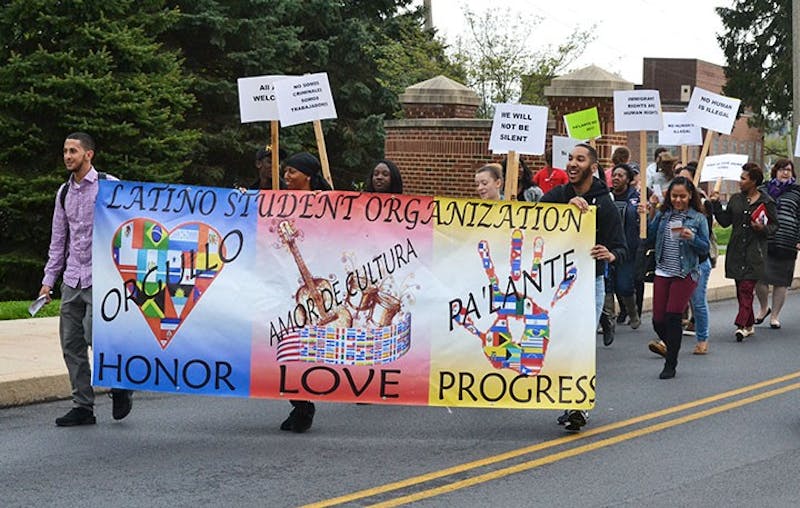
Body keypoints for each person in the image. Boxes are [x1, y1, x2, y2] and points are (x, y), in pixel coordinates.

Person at [40, 132, 133, 426]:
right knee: (71, 343)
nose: (68, 156)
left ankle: (120, 386)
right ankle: (82, 406)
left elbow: (132, 225)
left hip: (101, 278)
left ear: (88, 155)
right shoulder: (63, 193)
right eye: (65, 151)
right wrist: (48, 280)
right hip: (72, 279)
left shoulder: (110, 186)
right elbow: (58, 240)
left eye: (74, 151)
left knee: (97, 336)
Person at [541, 143, 627, 430]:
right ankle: (567, 400)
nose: (572, 163)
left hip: (591, 284)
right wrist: (563, 210)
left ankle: (577, 407)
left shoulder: (605, 203)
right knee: (560, 343)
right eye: (570, 158)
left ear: (592, 167)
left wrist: (611, 254)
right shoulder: (559, 195)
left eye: (580, 159)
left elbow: (621, 247)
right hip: (557, 284)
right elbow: (533, 218)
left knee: (580, 345)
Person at [279, 152, 331, 433]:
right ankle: (299, 402)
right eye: (285, 172)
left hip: (315, 285)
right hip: (283, 282)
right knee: (283, 346)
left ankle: (303, 403)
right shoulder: (277, 201)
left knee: (306, 346)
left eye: (291, 172)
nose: (286, 177)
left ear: (308, 176)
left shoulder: (327, 203)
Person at [639, 176, 710, 378]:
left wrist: (693, 238)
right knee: (657, 320)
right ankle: (672, 346)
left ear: (690, 196)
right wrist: (646, 214)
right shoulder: (664, 216)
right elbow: (649, 237)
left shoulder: (698, 218)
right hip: (663, 270)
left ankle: (671, 363)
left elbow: (705, 248)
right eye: (674, 196)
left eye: (683, 196)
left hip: (685, 272)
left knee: (673, 316)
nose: (678, 200)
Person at [709, 163, 778, 341]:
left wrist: (762, 228)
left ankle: (740, 324)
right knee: (741, 289)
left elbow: (774, 226)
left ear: (753, 181)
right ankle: (749, 325)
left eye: (743, 178)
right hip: (736, 251)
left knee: (747, 288)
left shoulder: (766, 201)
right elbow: (725, 222)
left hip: (755, 253)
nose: (740, 182)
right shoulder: (735, 200)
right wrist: (715, 205)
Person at [754, 159, 800, 329]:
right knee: (760, 276)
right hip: (764, 238)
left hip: (788, 240)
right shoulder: (764, 190)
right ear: (775, 171)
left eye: (788, 170)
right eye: (781, 169)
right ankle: (764, 307)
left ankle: (775, 316)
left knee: (782, 280)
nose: (785, 172)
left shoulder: (797, 192)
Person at [605, 163, 641, 334]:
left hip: (627, 249)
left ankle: (632, 313)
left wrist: (646, 211)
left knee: (625, 285)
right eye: (614, 175)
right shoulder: (606, 197)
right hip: (608, 248)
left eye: (620, 175)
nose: (616, 178)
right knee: (607, 285)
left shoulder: (635, 198)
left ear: (628, 179)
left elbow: (642, 222)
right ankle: (608, 320)